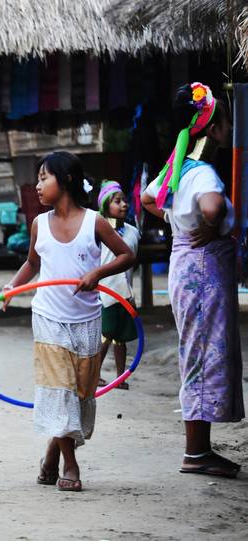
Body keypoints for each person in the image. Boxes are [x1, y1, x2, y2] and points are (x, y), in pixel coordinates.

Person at [3, 152, 135, 491]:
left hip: (87, 321)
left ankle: (50, 455)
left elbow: (126, 255)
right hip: (48, 317)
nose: (37, 185)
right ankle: (71, 466)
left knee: (77, 395)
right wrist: (12, 286)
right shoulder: (39, 224)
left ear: (66, 181)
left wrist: (97, 272)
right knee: (59, 391)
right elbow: (32, 263)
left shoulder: (95, 222)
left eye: (44, 177)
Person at [142, 82, 244, 478]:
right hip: (203, 271)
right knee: (204, 354)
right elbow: (213, 207)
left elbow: (149, 200)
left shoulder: (177, 166)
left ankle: (200, 449)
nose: (229, 127)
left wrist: (176, 222)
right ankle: (196, 453)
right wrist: (209, 223)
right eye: (226, 122)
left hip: (186, 263)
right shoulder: (202, 173)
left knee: (198, 351)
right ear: (214, 129)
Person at [96, 181, 140, 389]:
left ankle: (120, 377)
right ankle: (94, 374)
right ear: (105, 206)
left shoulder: (133, 232)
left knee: (121, 336)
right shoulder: (98, 231)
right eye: (117, 201)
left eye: (124, 200)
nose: (124, 204)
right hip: (105, 291)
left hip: (126, 291)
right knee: (107, 333)